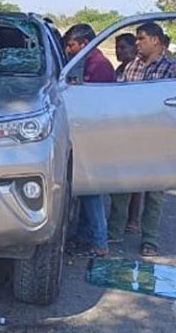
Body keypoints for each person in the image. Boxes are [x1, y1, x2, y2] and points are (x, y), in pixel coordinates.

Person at [108, 22, 176, 257]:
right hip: (131, 134)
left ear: (155, 40)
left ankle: (149, 239)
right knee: (122, 187)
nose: (137, 43)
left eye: (141, 38)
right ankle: (114, 233)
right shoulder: (132, 66)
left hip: (158, 137)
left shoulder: (172, 69)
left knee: (154, 192)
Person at [63, 24, 115, 257]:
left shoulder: (99, 65)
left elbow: (96, 102)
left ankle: (99, 242)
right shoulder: (88, 63)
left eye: (71, 44)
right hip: (88, 132)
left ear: (84, 44)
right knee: (85, 188)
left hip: (95, 134)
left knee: (92, 190)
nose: (68, 49)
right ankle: (84, 236)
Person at [111, 32, 143, 233]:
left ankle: (133, 219)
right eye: (117, 48)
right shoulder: (121, 69)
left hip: (135, 127)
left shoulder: (138, 69)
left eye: (123, 47)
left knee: (136, 179)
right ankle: (119, 220)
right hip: (120, 126)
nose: (119, 51)